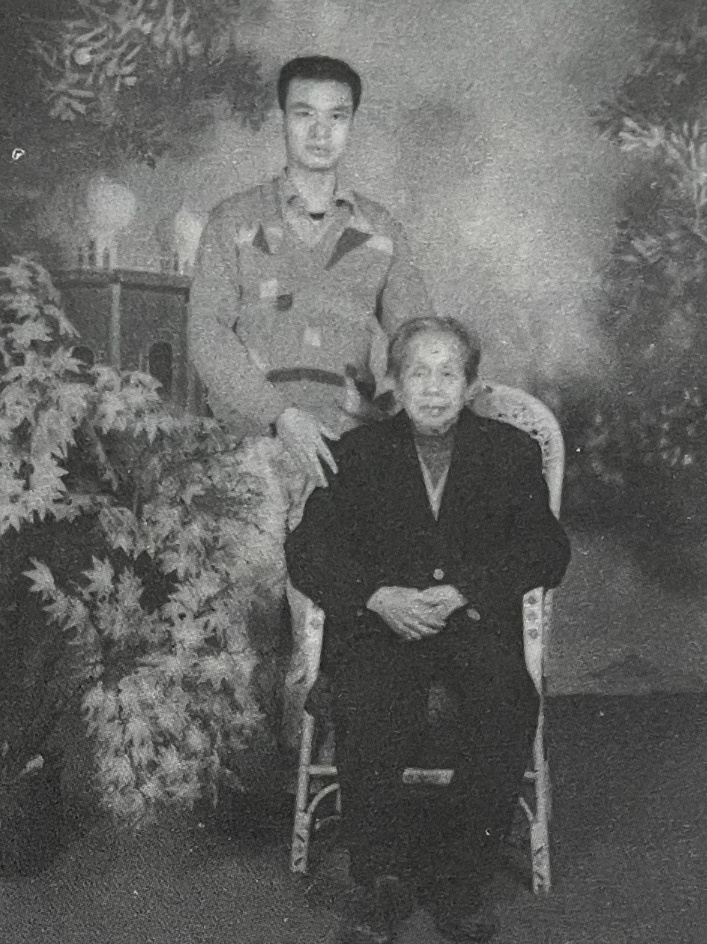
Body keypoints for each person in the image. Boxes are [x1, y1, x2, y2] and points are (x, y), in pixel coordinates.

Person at [285, 316, 571, 944]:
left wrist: (467, 588)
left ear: (470, 385)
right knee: (367, 695)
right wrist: (376, 596)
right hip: (384, 627)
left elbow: (546, 548)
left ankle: (462, 881)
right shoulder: (358, 453)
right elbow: (307, 550)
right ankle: (380, 881)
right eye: (419, 373)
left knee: (506, 697)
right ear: (395, 382)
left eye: (449, 374)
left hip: (472, 625)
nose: (434, 388)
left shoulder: (510, 451)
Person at [188, 55, 433, 753]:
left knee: (331, 617)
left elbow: (418, 343)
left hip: (347, 458)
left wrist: (385, 414)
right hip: (249, 449)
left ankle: (318, 775)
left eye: (336, 116)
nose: (320, 132)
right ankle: (241, 777)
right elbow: (206, 337)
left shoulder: (381, 230)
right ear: (282, 120)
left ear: (351, 125)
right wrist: (279, 415)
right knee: (243, 615)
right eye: (304, 114)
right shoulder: (233, 221)